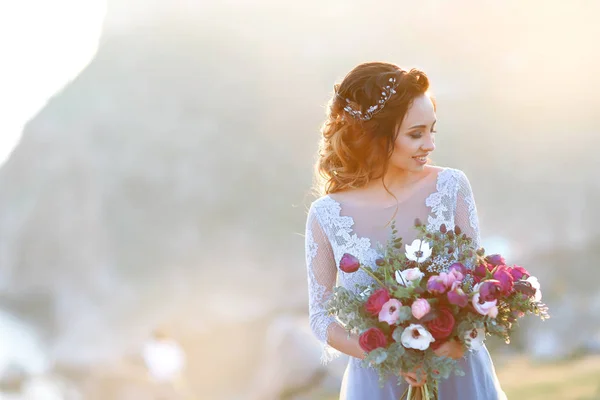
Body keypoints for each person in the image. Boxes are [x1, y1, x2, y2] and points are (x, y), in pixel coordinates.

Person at [304, 62, 507, 399]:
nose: (429, 144)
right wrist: (383, 355)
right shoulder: (327, 215)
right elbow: (320, 318)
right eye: (416, 134)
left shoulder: (451, 187)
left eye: (432, 130)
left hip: (458, 373)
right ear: (377, 135)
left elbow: (476, 283)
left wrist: (460, 339)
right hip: (378, 382)